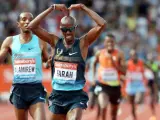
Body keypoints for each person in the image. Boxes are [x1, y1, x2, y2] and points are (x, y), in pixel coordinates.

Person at [28, 3, 106, 120]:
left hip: (76, 96)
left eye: (70, 29)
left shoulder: (82, 43)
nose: (68, 32)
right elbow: (32, 26)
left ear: (75, 28)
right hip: (57, 96)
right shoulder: (54, 41)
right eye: (64, 29)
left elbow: (102, 24)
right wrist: (52, 8)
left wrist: (83, 8)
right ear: (60, 29)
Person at [0, 12, 48, 120]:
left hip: (36, 89)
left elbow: (46, 60)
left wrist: (48, 63)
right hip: (19, 89)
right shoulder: (10, 41)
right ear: (18, 23)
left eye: (30, 20)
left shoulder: (40, 41)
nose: (27, 22)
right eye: (24, 19)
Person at [93, 34, 126, 120]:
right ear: (104, 42)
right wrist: (94, 77)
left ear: (114, 43)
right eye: (108, 41)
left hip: (115, 87)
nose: (110, 43)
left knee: (113, 115)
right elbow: (94, 63)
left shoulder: (119, 54)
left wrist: (114, 64)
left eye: (112, 42)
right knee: (103, 106)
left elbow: (124, 71)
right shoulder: (99, 53)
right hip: (103, 85)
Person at [125, 49, 146, 120]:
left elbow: (149, 67)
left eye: (135, 55)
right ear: (130, 56)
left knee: (138, 100)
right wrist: (126, 76)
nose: (134, 56)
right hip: (131, 86)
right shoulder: (127, 63)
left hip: (139, 85)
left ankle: (139, 104)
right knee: (132, 105)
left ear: (137, 55)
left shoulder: (141, 62)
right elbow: (123, 72)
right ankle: (134, 117)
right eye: (132, 55)